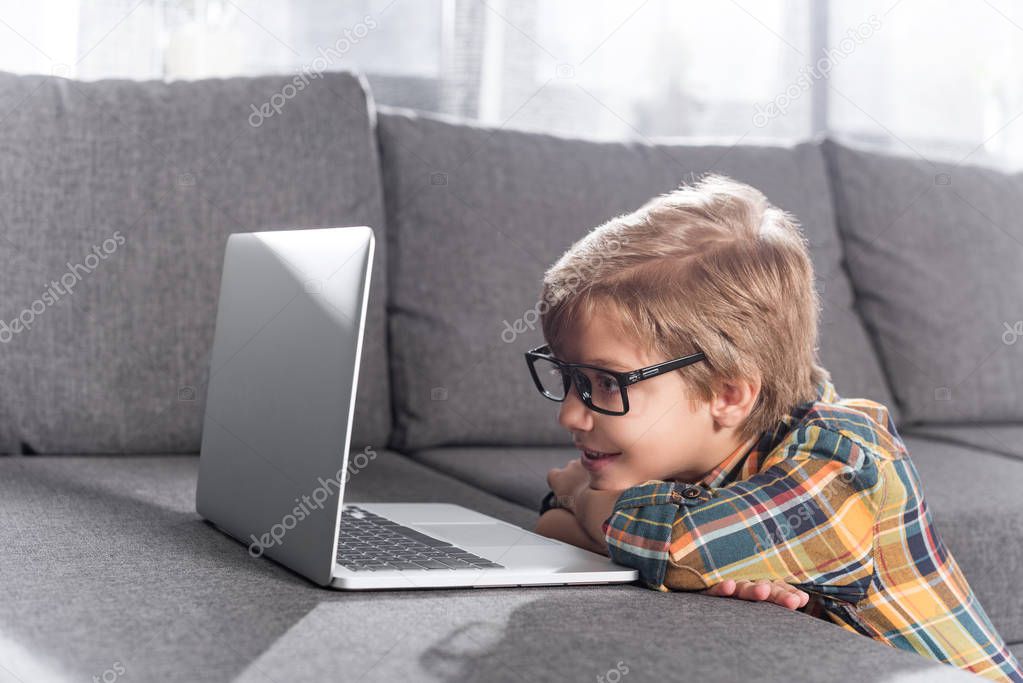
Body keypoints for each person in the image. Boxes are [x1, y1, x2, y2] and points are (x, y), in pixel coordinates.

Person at [527, 174, 1023, 682]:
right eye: (567, 377)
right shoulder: (683, 455)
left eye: (606, 383)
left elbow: (677, 543)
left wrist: (585, 501)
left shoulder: (846, 462)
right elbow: (551, 528)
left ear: (727, 394)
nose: (569, 414)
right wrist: (684, 559)